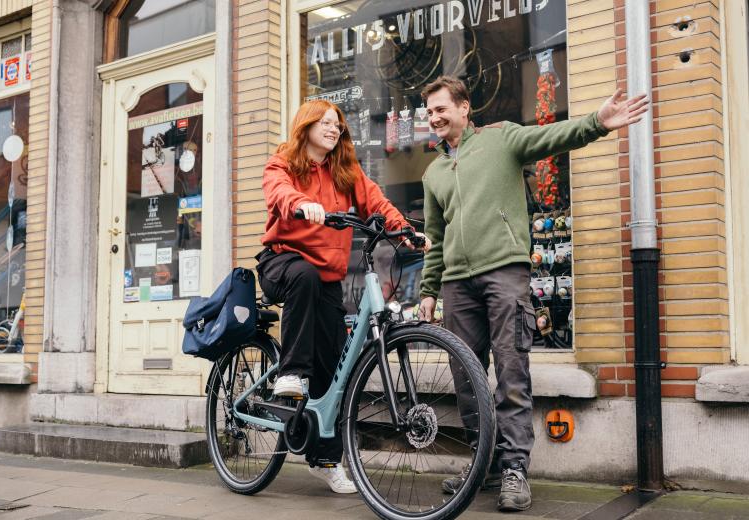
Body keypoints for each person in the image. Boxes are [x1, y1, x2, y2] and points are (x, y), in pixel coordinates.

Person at [417, 76, 648, 512]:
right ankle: (482, 465)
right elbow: (434, 236)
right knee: (467, 380)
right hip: (456, 285)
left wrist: (598, 121)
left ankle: (514, 470)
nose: (434, 117)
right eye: (428, 111)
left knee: (511, 373)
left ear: (464, 108)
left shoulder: (502, 139)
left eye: (441, 108)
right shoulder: (432, 174)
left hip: (504, 272)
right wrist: (430, 290)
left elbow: (553, 136)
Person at [257, 99, 430, 494]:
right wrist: (302, 205)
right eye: (326, 122)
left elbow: (377, 203)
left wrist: (405, 230)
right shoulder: (282, 162)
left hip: (327, 278)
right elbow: (278, 192)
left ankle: (327, 460)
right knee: (303, 275)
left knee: (335, 367)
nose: (334, 129)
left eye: (339, 124)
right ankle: (290, 372)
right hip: (283, 263)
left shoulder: (345, 173)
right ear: (307, 125)